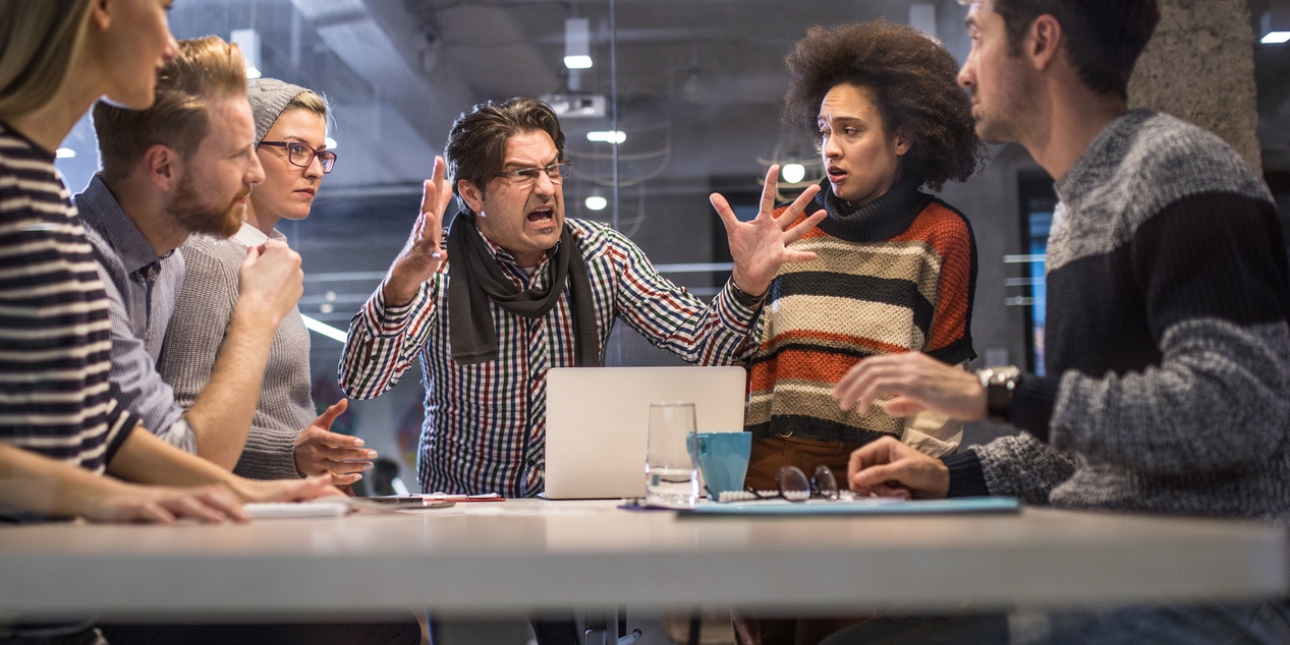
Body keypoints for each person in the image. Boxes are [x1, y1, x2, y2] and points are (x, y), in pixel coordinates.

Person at [828, 0, 1290, 642]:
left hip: (1200, 591)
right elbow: (1090, 438)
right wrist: (949, 477)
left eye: (977, 38)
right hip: (1104, 574)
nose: (964, 72)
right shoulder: (1076, 213)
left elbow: (1235, 410)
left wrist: (997, 393)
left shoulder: (1180, 171)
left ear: (1041, 40)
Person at [338, 97, 826, 499]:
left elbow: (707, 346)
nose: (547, 188)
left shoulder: (602, 255)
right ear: (473, 194)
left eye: (553, 169)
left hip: (571, 510)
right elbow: (362, 381)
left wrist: (747, 283)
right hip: (463, 517)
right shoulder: (437, 268)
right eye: (522, 174)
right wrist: (402, 280)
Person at [732, 21, 982, 645]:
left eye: (850, 130)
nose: (831, 149)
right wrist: (744, 284)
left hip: (866, 482)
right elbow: (742, 356)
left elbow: (944, 378)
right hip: (764, 477)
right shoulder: (794, 231)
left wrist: (913, 484)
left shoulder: (941, 234)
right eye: (823, 131)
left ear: (902, 137)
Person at [80, 38, 362, 480]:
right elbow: (181, 455)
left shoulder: (165, 261)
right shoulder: (76, 267)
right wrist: (257, 312)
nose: (253, 174)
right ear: (164, 168)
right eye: (236, 153)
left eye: (320, 154)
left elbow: (132, 451)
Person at [155, 77, 372, 486]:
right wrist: (289, 453)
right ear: (244, 153)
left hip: (286, 507)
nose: (314, 169)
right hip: (242, 518)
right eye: (295, 149)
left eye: (321, 154)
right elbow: (181, 427)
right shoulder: (209, 256)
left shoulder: (267, 253)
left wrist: (308, 455)